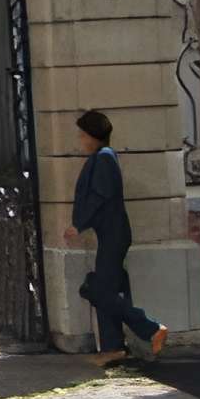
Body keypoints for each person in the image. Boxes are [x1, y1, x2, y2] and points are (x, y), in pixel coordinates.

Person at [71, 108, 165, 364]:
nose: (80, 140)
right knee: (106, 290)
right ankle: (113, 348)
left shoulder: (103, 158)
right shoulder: (104, 157)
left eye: (82, 135)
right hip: (111, 234)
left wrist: (78, 225)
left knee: (98, 289)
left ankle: (150, 328)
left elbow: (99, 197)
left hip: (114, 235)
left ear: (93, 135)